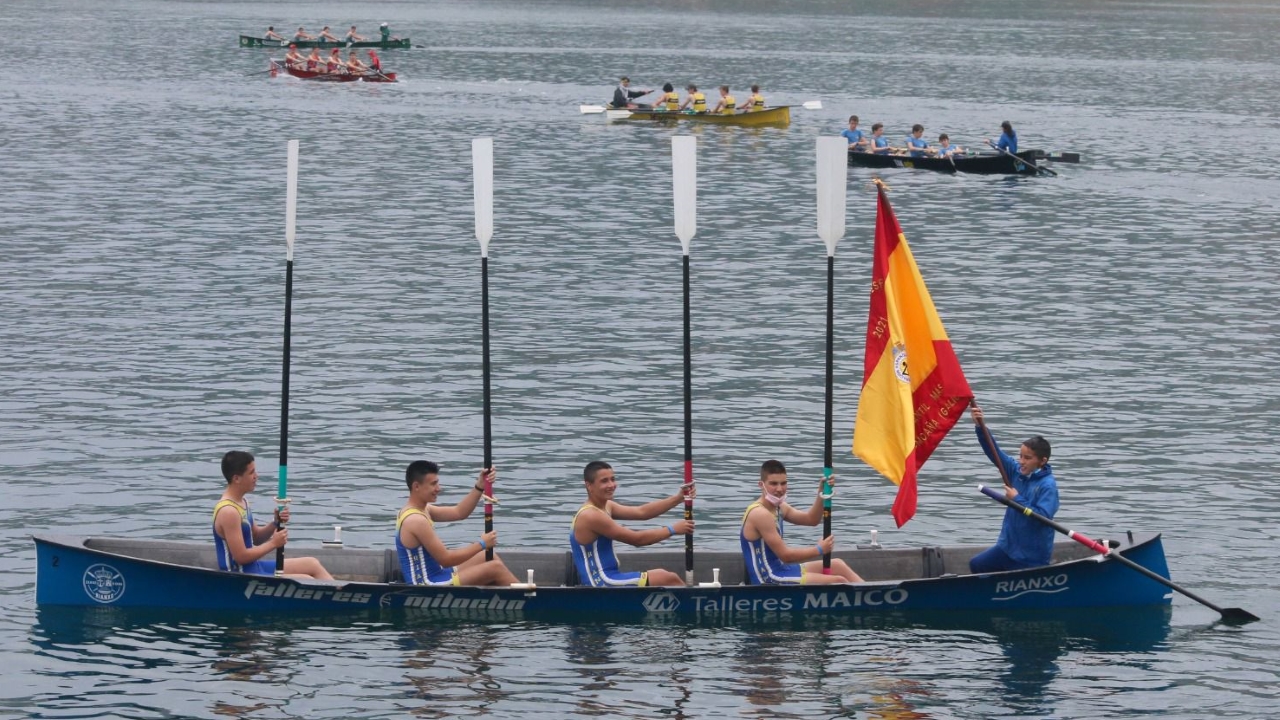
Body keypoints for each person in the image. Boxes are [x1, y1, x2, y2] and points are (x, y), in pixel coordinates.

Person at [570, 461, 693, 587]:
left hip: (611, 576)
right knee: (667, 578)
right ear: (589, 485)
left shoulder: (606, 506)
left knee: (664, 576)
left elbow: (642, 512)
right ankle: (694, 599)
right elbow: (637, 539)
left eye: (613, 479)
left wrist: (678, 498)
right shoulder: (591, 515)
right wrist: (673, 529)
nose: (611, 485)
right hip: (601, 582)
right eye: (604, 481)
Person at [967, 405, 1059, 573]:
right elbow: (994, 451)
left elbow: (1043, 517)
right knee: (977, 564)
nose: (1021, 461)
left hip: (1031, 556)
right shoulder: (1015, 471)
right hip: (1007, 548)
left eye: (1027, 458)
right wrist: (980, 426)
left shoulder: (1048, 486)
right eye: (1020, 456)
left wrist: (1017, 499)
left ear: (1042, 461)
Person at [396, 461, 519, 586]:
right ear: (416, 486)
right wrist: (482, 544)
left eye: (437, 483)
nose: (439, 488)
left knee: (487, 556)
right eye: (433, 484)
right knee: (495, 568)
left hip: (439, 573)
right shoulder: (416, 520)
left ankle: (507, 593)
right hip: (427, 584)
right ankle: (526, 595)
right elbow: (446, 560)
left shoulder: (421, 509)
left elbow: (459, 512)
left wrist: (480, 486)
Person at [213, 451, 332, 579]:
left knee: (312, 564)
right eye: (251, 473)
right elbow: (241, 557)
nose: (256, 476)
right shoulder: (229, 512)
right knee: (306, 579)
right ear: (236, 478)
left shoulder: (243, 502)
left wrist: (275, 523)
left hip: (254, 567)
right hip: (240, 576)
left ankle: (339, 590)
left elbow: (256, 537)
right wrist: (274, 543)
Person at [741, 460, 862, 585]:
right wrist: (819, 549)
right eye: (773, 484)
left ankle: (871, 591)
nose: (780, 489)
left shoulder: (780, 507)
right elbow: (786, 556)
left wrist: (822, 492)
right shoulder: (760, 514)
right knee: (839, 581)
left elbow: (811, 519)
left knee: (837, 565)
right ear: (761, 485)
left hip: (782, 569)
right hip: (768, 579)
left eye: (783, 483)